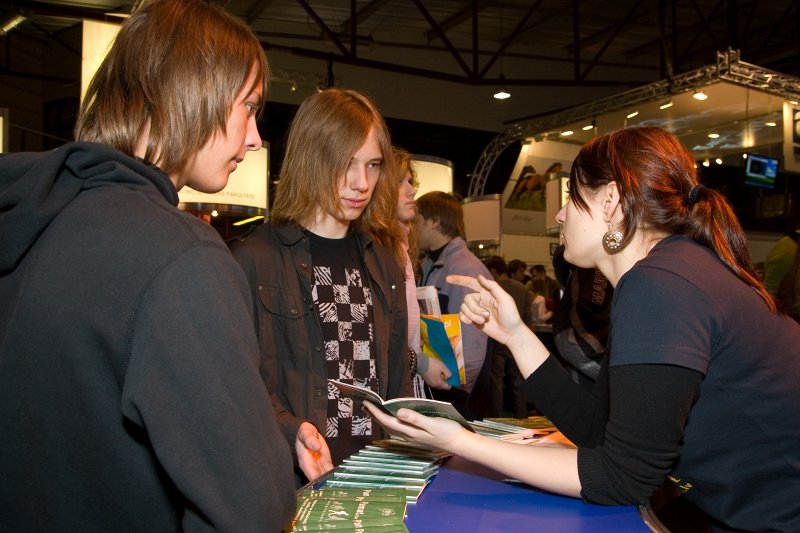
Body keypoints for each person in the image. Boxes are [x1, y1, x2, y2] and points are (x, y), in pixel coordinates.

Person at [366, 127, 800, 532]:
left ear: (611, 200)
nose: (558, 214)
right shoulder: (670, 272)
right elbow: (599, 429)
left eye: (572, 197)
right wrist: (517, 335)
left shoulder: (660, 286)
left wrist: (462, 442)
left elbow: (622, 477)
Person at [0, 1, 296, 530]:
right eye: (248, 107)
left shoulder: (33, 219)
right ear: (191, 91)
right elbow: (251, 506)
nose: (254, 138)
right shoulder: (181, 258)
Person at [229, 88, 413, 487]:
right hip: (291, 481)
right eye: (346, 163)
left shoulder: (385, 263)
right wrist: (290, 430)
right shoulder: (255, 260)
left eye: (374, 165)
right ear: (312, 158)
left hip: (374, 477)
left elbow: (396, 379)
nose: (361, 182)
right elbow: (240, 386)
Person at [416, 191, 492, 415]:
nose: (412, 227)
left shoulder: (466, 269)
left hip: (453, 391)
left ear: (435, 221)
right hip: (440, 383)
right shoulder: (433, 263)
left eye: (417, 220)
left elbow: (473, 341)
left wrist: (458, 389)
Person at [394, 148, 452, 396]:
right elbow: (382, 336)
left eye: (411, 181)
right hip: (396, 383)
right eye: (400, 182)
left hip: (406, 379)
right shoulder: (382, 248)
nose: (412, 190)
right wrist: (421, 363)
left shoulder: (399, 245)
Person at [550, 244, 612, 390]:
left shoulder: (588, 269)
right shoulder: (595, 267)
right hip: (580, 334)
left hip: (576, 333)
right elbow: (590, 305)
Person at [484, 256, 532, 418]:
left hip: (496, 342)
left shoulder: (492, 289)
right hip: (518, 341)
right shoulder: (523, 289)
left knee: (496, 381)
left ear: (493, 271)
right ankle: (522, 417)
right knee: (519, 381)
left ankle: (496, 417)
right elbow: (528, 317)